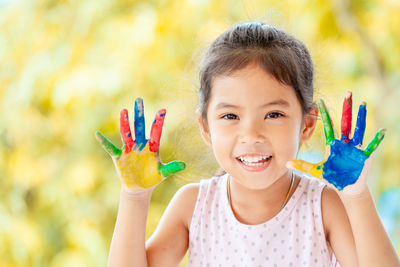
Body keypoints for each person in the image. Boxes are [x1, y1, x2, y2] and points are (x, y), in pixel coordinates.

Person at [95, 22, 400, 267]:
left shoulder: (322, 206)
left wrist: (357, 196)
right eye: (230, 116)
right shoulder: (193, 207)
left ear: (307, 124)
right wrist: (134, 198)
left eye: (273, 114)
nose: (251, 134)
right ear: (206, 128)